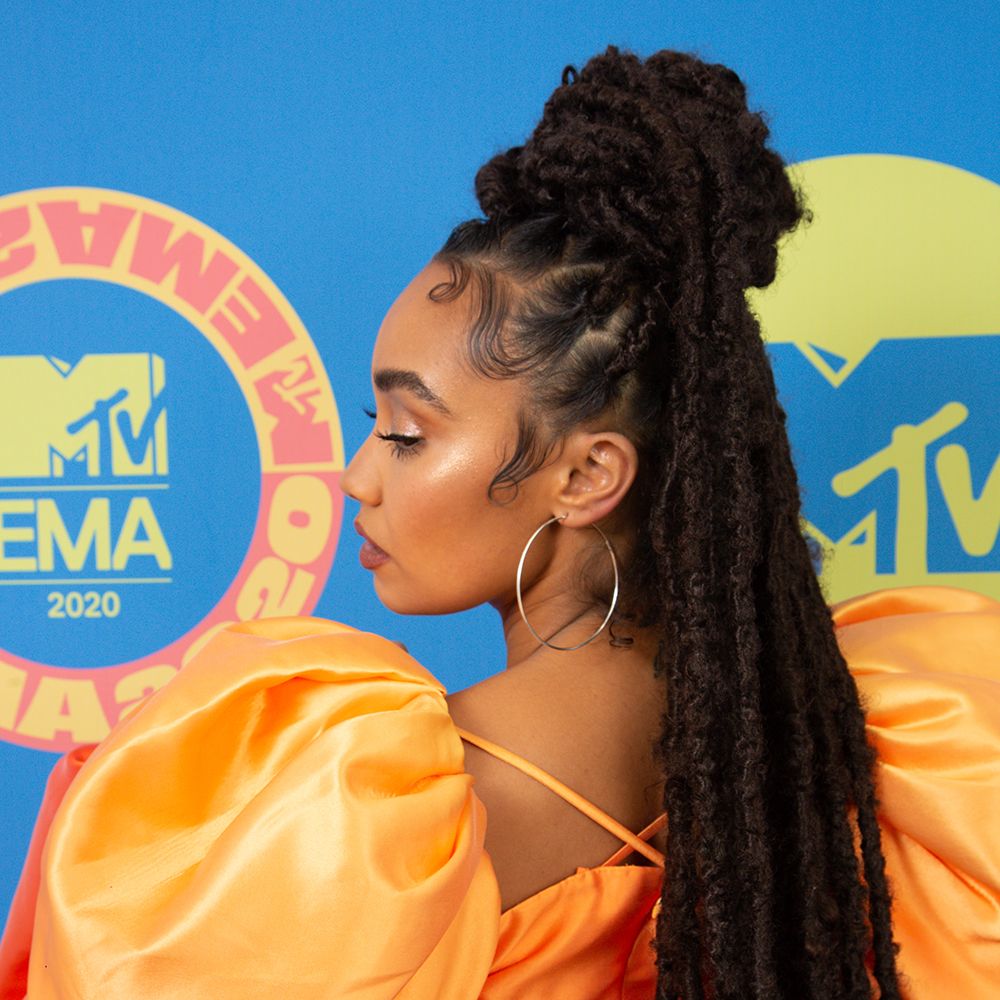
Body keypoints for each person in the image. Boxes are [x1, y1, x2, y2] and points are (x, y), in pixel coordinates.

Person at [1, 45, 998, 1000]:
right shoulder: (852, 763)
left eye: (405, 433)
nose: (356, 476)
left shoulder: (347, 807)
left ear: (587, 475)